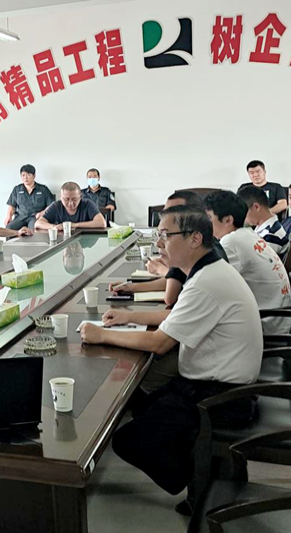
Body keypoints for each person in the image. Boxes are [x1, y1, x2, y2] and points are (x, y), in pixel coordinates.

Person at [80, 206, 262, 504]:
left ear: (194, 239)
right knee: (141, 405)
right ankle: (204, 468)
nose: (159, 243)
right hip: (218, 384)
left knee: (127, 441)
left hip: (221, 397)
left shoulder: (205, 283)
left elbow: (159, 343)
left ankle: (203, 483)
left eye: (166, 235)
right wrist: (127, 317)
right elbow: (175, 318)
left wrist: (101, 335)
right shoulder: (208, 271)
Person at [111, 191, 227, 307]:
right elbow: (177, 280)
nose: (167, 216)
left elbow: (170, 297)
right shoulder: (203, 245)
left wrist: (161, 268)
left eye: (174, 210)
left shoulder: (196, 256)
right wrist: (132, 287)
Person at [205, 191, 291, 335]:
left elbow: (207, 283)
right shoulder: (247, 234)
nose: (205, 224)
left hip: (265, 325)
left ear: (228, 220)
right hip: (277, 318)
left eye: (208, 218)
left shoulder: (231, 242)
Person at [34, 182, 106, 231]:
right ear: (61, 197)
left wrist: (74, 225)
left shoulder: (88, 204)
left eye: (74, 199)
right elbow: (38, 223)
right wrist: (53, 227)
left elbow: (102, 223)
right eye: (66, 199)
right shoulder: (56, 206)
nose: (70, 203)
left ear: (80, 196)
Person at [240, 185, 289, 255]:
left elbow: (259, 261)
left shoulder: (271, 236)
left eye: (244, 212)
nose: (243, 216)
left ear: (256, 207)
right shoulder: (267, 228)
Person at [4, 164, 56, 230]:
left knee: (33, 229)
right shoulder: (17, 189)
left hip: (35, 217)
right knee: (9, 228)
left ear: (34, 176)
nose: (25, 177)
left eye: (28, 175)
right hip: (21, 217)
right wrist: (8, 216)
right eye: (23, 175)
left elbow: (52, 205)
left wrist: (42, 213)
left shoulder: (43, 189)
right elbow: (12, 206)